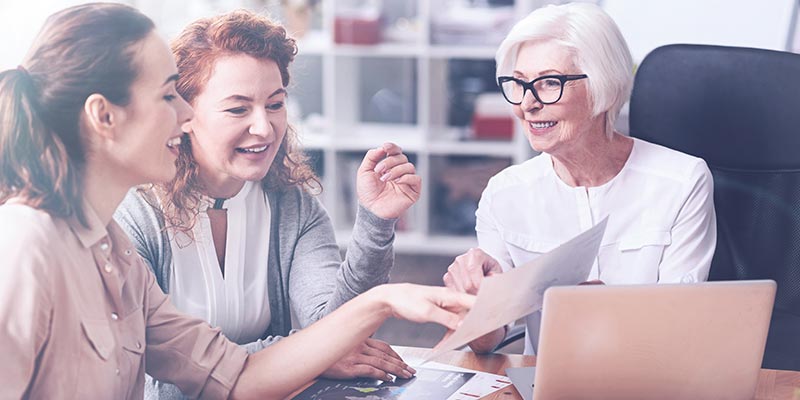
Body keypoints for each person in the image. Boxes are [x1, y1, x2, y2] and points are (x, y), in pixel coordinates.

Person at [0, 3, 472, 399]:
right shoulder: (27, 244)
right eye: (169, 96)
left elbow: (235, 376)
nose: (183, 115)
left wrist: (383, 296)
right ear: (104, 115)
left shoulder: (113, 252)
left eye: (274, 103)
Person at [112, 10, 421, 398]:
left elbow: (335, 326)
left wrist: (376, 222)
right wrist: (306, 354)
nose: (264, 127)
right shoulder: (134, 216)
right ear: (184, 114)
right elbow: (152, 380)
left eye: (275, 104)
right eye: (238, 108)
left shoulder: (291, 204)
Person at [442, 2, 716, 355]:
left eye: (549, 82)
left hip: (651, 379)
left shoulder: (681, 182)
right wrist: (475, 304)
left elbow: (682, 328)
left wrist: (612, 314)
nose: (528, 104)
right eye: (519, 83)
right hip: (547, 383)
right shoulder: (504, 194)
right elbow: (486, 342)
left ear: (603, 86)